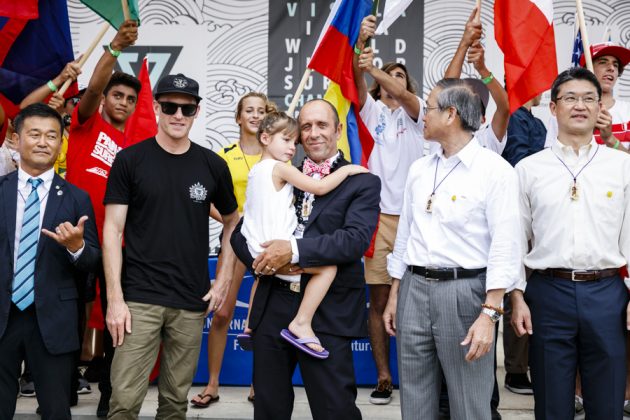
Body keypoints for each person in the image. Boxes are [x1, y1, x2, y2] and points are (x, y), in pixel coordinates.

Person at [230, 98, 381, 420]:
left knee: (334, 409)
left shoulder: (362, 181)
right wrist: (266, 260)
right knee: (268, 407)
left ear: (339, 130)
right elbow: (239, 234)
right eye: (306, 127)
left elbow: (353, 241)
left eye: (322, 125)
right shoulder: (282, 174)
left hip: (327, 312)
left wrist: (293, 251)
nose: (313, 134)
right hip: (272, 307)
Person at [103, 73, 240, 419]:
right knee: (123, 402)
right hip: (138, 300)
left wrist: (222, 280)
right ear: (156, 108)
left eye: (186, 108)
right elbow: (111, 230)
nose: (178, 115)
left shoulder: (213, 165)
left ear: (196, 112)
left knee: (175, 404)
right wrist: (115, 299)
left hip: (191, 302)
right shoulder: (130, 161)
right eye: (170, 106)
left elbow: (233, 221)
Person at [383, 78, 521, 420]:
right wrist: (395, 292)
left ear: (451, 114)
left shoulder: (494, 171)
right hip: (413, 288)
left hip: (465, 292)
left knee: (469, 404)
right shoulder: (420, 169)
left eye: (428, 107)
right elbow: (406, 234)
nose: (421, 115)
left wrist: (490, 313)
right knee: (414, 398)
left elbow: (506, 245)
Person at [510, 67, 630, 420]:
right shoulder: (529, 169)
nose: (580, 105)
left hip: (607, 293)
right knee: (551, 406)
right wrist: (517, 296)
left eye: (589, 98)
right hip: (548, 293)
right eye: (570, 98)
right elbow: (515, 237)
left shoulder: (622, 166)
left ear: (599, 108)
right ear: (553, 107)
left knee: (607, 405)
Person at [0, 103, 100, 419]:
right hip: (3, 318)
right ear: (16, 139)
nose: (44, 142)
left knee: (57, 410)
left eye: (52, 136)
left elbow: (93, 261)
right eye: (35, 134)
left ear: (60, 143)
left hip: (54, 321)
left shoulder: (76, 198)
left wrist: (77, 247)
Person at [241, 110, 367, 358]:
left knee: (260, 276)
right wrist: (348, 170)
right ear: (265, 138)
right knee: (327, 268)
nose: (291, 148)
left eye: (294, 142)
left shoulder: (256, 171)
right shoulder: (281, 169)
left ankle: (248, 324)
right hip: (275, 251)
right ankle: (302, 322)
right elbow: (319, 187)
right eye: (286, 140)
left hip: (258, 247)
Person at [354, 15, 434, 405]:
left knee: (416, 301)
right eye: (390, 76)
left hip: (418, 219)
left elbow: (405, 96)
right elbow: (357, 83)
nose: (396, 82)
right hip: (379, 220)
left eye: (401, 76)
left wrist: (379, 71)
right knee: (379, 301)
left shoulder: (421, 117)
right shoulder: (374, 114)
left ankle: (419, 380)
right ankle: (384, 376)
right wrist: (361, 47)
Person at [64, 20, 139, 417]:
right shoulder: (86, 123)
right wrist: (113, 47)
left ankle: (110, 394)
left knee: (117, 321)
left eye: (130, 98)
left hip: (117, 245)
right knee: (70, 316)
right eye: (118, 95)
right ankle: (61, 390)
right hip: (74, 237)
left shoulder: (136, 148)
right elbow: (91, 89)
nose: (123, 102)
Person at [190, 91, 273, 408]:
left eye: (260, 110)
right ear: (238, 117)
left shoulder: (275, 156)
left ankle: (257, 384)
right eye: (248, 110)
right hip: (236, 241)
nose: (254, 115)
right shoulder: (223, 155)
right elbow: (209, 199)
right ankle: (212, 384)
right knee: (223, 313)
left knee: (262, 318)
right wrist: (233, 221)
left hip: (265, 245)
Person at [444, 8, 510, 155]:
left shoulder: (488, 140)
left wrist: (482, 69)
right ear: (451, 113)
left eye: (474, 107)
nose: (467, 108)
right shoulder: (443, 134)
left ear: (482, 119)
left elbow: (504, 107)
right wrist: (464, 43)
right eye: (462, 104)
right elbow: (445, 90)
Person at [546, 42, 630, 153]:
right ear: (587, 69)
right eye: (603, 62)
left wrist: (610, 139)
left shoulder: (628, 111)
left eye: (615, 64)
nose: (611, 68)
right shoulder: (566, 111)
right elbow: (551, 157)